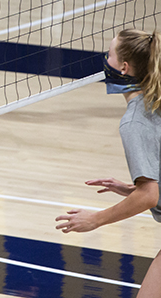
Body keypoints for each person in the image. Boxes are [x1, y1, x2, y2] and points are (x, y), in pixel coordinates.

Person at [56, 29, 161, 296]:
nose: (105, 59)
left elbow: (149, 196)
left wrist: (96, 220)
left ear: (123, 68)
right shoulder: (156, 98)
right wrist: (131, 189)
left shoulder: (134, 122)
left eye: (109, 54)